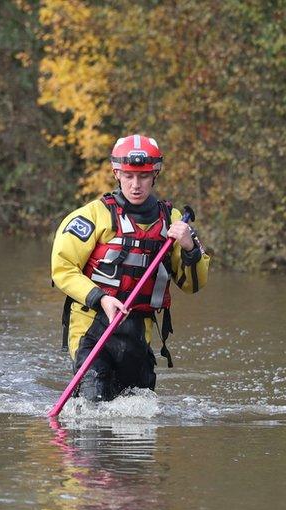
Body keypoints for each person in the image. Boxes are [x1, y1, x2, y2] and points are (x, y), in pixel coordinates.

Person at [51, 134, 210, 401]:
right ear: (116, 173)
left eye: (144, 176)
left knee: (136, 419)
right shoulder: (91, 216)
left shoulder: (173, 223)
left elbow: (193, 285)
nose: (136, 185)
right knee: (94, 406)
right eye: (128, 176)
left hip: (137, 330)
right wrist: (101, 299)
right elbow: (62, 269)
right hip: (92, 326)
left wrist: (190, 248)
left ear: (155, 174)